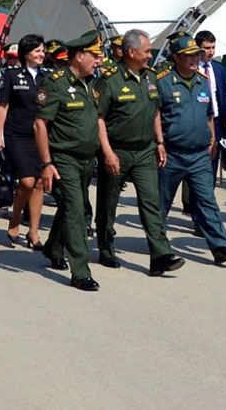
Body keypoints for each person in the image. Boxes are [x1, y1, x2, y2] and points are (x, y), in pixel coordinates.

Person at [96, 29, 186, 272]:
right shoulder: (109, 80)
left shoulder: (150, 77)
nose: (150, 55)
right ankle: (105, 247)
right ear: (131, 52)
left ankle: (160, 254)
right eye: (146, 51)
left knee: (151, 202)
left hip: (145, 150)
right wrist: (107, 152)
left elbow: (155, 111)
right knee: (108, 203)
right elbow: (99, 119)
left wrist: (160, 142)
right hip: (117, 150)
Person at [156, 35, 226, 265]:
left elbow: (209, 114)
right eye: (189, 56)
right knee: (161, 203)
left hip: (199, 154)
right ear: (176, 58)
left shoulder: (202, 81)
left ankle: (220, 245)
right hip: (171, 153)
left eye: (196, 55)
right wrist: (159, 144)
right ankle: (159, 246)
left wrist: (211, 138)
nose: (194, 59)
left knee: (207, 200)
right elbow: (154, 116)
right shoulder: (162, 82)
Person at [34, 31, 104, 291]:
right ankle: (80, 271)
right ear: (79, 56)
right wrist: (46, 163)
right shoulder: (55, 83)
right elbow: (40, 125)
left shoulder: (92, 84)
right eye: (94, 55)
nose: (98, 60)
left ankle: (53, 247)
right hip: (63, 158)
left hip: (87, 159)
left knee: (69, 208)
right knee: (76, 212)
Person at [0, 34, 47, 248]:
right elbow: (3, 106)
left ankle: (33, 233)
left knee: (40, 183)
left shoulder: (47, 77)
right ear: (26, 54)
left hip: (40, 136)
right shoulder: (12, 75)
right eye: (37, 51)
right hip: (17, 135)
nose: (42, 54)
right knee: (26, 181)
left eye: (43, 50)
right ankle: (15, 218)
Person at [195, 30, 226, 183]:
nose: (211, 52)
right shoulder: (192, 68)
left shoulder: (218, 69)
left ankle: (207, 201)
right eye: (207, 48)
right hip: (198, 122)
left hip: (217, 123)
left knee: (212, 163)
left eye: (213, 47)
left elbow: (224, 96)